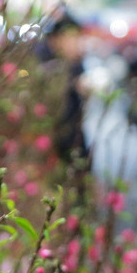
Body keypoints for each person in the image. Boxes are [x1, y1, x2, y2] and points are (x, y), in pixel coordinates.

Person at [38, 13, 91, 174]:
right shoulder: (45, 62)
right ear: (55, 39)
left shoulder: (76, 63)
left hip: (74, 137)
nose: (76, 44)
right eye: (70, 38)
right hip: (52, 141)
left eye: (77, 38)